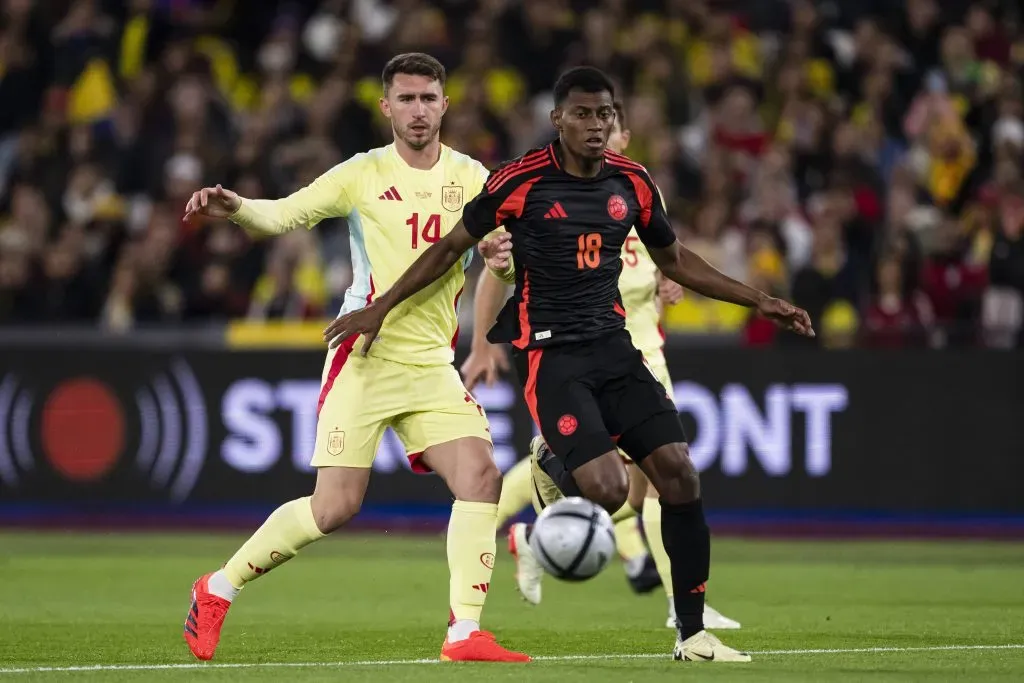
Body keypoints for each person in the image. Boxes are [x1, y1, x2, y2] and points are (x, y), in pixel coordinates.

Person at [324, 66, 814, 663]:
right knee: (606, 490)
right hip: (552, 356)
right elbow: (451, 250)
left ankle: (691, 635)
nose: (595, 124)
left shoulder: (633, 182)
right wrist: (379, 308)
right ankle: (549, 465)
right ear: (557, 119)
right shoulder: (521, 181)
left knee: (680, 475)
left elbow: (678, 260)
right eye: (582, 114)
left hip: (615, 349)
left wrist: (761, 300)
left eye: (605, 114)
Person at [179, 52, 529, 664]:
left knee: (481, 476)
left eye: (428, 99)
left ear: (445, 105)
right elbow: (282, 216)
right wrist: (236, 207)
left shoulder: (476, 178)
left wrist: (506, 261)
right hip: (364, 356)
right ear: (385, 106)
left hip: (429, 364)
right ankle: (216, 588)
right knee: (334, 507)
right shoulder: (361, 174)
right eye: (407, 99)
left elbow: (511, 255)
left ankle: (463, 633)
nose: (418, 111)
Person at [462, 101, 741, 632]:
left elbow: (669, 256)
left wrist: (668, 280)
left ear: (624, 137)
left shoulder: (635, 196)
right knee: (632, 484)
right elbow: (500, 273)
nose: (598, 139)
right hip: (580, 357)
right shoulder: (550, 202)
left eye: (607, 129)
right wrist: (483, 343)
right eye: (588, 128)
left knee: (641, 491)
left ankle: (540, 539)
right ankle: (683, 611)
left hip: (642, 355)